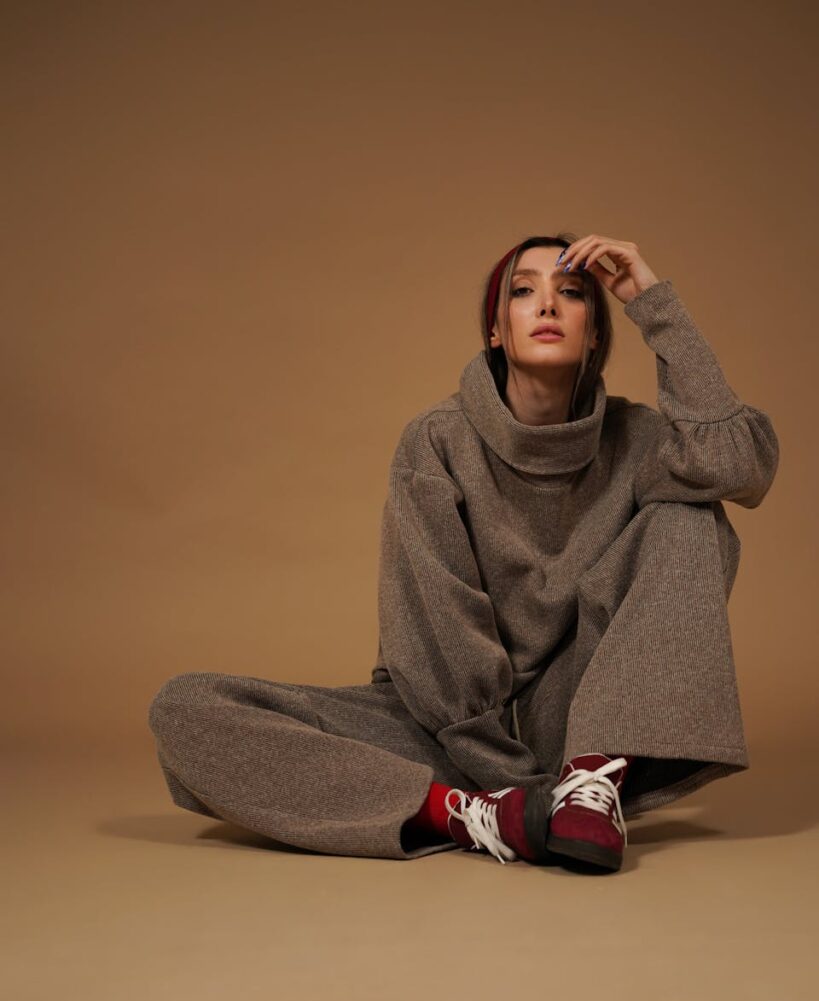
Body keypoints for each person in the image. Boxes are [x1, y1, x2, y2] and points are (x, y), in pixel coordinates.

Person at [148, 232, 780, 874]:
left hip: (581, 723)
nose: (548, 306)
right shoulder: (436, 442)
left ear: (595, 334)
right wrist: (516, 784)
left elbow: (739, 465)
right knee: (186, 710)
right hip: (441, 727)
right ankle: (478, 815)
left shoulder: (638, 440)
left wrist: (653, 303)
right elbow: (436, 639)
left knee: (692, 515)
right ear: (497, 332)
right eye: (524, 292)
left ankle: (589, 783)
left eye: (571, 293)